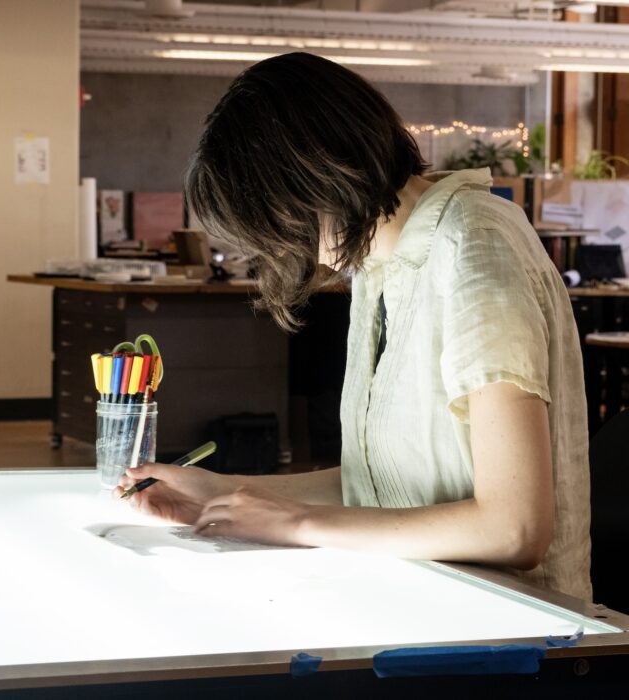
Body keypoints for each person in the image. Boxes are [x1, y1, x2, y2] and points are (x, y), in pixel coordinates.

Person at [118, 53, 591, 601]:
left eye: (274, 222)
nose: (277, 247)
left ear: (317, 176)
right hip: (424, 596)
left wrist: (296, 524)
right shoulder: (377, 264)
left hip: (516, 623)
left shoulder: (473, 244)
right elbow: (381, 484)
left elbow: (514, 529)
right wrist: (221, 491)